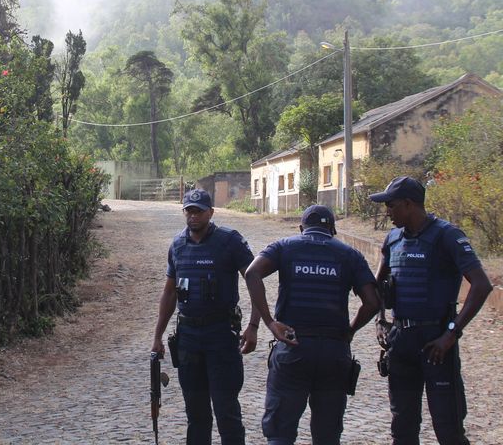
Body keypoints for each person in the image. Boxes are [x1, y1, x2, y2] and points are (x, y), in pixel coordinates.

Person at [370, 176, 492, 445]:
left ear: (409, 204)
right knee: (402, 428)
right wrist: (380, 320)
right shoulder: (392, 240)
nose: (387, 212)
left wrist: (451, 334)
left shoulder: (447, 236)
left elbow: (482, 285)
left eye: (391, 205)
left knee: (448, 429)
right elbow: (377, 286)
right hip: (401, 342)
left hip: (437, 344)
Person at [243, 204, 379, 445]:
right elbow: (372, 302)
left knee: (280, 433)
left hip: (292, 346)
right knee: (327, 435)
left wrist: (270, 322)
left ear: (301, 227)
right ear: (333, 230)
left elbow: (252, 272)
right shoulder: (350, 255)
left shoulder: (284, 247)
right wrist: (350, 330)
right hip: (334, 352)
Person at [151, 188, 259, 445]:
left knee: (226, 412)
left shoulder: (230, 242)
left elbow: (254, 281)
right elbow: (169, 293)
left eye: (199, 211)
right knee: (196, 415)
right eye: (189, 210)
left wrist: (254, 325)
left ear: (211, 212)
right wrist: (157, 336)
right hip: (189, 338)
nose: (193, 216)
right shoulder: (177, 245)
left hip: (221, 335)